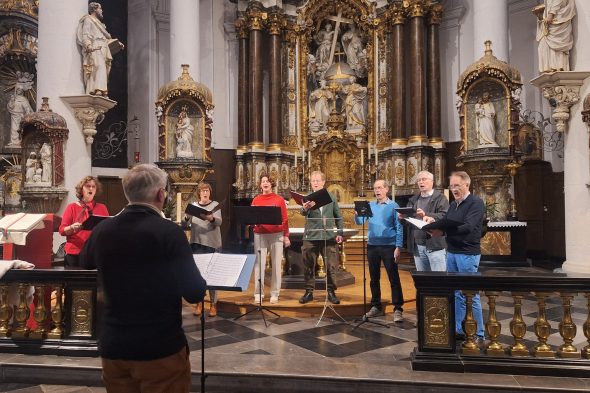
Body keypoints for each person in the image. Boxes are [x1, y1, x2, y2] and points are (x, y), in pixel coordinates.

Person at [80, 164, 206, 393]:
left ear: (127, 193)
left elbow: (84, 266)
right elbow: (194, 292)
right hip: (158, 346)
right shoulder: (169, 232)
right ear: (160, 194)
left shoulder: (102, 230)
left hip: (113, 345)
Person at [426, 171, 486, 341]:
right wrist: (435, 226)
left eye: (457, 186)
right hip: (452, 252)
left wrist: (443, 230)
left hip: (467, 253)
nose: (453, 189)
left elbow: (468, 227)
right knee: (456, 292)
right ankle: (460, 329)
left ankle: (479, 333)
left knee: (470, 294)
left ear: (467, 185)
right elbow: (448, 222)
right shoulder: (454, 205)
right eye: (451, 186)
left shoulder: (476, 203)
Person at [355, 179, 405, 322]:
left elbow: (399, 226)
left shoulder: (393, 206)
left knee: (393, 277)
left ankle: (398, 308)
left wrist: (398, 247)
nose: (377, 191)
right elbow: (360, 222)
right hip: (372, 245)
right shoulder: (370, 205)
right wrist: (356, 214)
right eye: (375, 188)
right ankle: (376, 306)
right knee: (373, 278)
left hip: (389, 245)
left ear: (386, 189)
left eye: (379, 188)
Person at [299, 171, 343, 305]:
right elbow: (302, 212)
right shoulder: (307, 198)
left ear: (323, 182)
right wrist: (305, 208)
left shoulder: (331, 197)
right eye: (313, 181)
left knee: (331, 265)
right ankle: (309, 292)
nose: (316, 183)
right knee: (308, 265)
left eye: (318, 180)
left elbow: (338, 215)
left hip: (328, 236)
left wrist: (340, 232)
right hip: (311, 235)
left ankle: (331, 291)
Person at [251, 175, 290, 304]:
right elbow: (252, 217)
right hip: (260, 234)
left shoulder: (279, 199)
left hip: (276, 234)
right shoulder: (256, 200)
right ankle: (258, 292)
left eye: (267, 181)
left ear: (271, 184)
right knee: (259, 265)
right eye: (263, 181)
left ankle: (275, 293)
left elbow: (284, 219)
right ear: (260, 185)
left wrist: (286, 236)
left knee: (276, 265)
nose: (265, 183)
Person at [186, 182, 222, 317]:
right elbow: (186, 224)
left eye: (207, 190)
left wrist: (211, 218)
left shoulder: (215, 205)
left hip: (211, 244)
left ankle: (213, 304)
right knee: (198, 275)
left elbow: (219, 222)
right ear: (199, 193)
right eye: (202, 191)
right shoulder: (193, 206)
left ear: (210, 192)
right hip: (196, 243)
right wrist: (187, 217)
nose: (205, 193)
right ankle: (199, 303)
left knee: (211, 275)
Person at [402, 171, 449, 272]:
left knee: (439, 280)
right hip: (418, 247)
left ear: (432, 182)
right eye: (419, 180)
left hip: (435, 246)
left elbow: (445, 216)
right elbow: (409, 222)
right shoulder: (413, 200)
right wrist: (403, 217)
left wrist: (426, 215)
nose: (421, 182)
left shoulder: (440, 198)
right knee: (423, 281)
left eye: (424, 179)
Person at [59, 176, 109, 268]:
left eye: (93, 186)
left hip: (95, 253)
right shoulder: (72, 207)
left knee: (93, 282)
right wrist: (72, 228)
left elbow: (107, 230)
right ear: (81, 190)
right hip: (75, 252)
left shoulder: (102, 207)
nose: (91, 188)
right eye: (87, 186)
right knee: (75, 282)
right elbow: (62, 230)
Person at [76, 2, 123, 96]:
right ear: (94, 9)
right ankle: (96, 89)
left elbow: (106, 38)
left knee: (104, 68)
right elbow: (86, 34)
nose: (102, 10)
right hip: (96, 46)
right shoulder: (88, 20)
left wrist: (117, 43)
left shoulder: (101, 24)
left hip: (104, 47)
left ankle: (101, 90)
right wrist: (88, 45)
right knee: (98, 66)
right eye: (100, 8)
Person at [535, 0, 576, 73]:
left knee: (555, 44)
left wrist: (551, 14)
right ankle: (549, 68)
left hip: (557, 19)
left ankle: (559, 66)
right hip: (550, 20)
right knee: (543, 45)